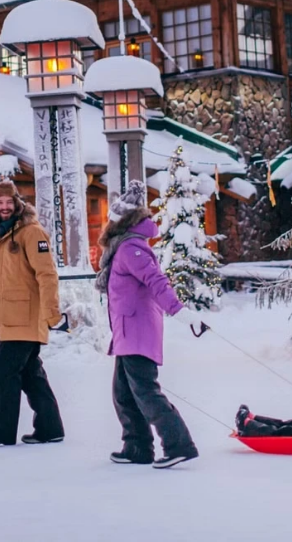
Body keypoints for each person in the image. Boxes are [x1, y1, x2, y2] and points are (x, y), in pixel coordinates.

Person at [97, 180, 204, 469]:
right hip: (125, 332)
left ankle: (179, 445)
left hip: (137, 331)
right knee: (123, 393)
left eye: (113, 217)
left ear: (123, 220)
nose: (109, 222)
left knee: (145, 392)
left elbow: (157, 281)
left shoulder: (131, 248)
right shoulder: (123, 247)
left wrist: (180, 311)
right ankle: (137, 448)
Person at [0, 180, 66, 447]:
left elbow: (47, 275)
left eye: (8, 202)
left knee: (4, 371)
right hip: (8, 319)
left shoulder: (31, 232)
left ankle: (1, 431)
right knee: (30, 375)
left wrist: (52, 313)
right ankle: (50, 428)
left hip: (27, 316)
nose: (4, 207)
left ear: (17, 203)